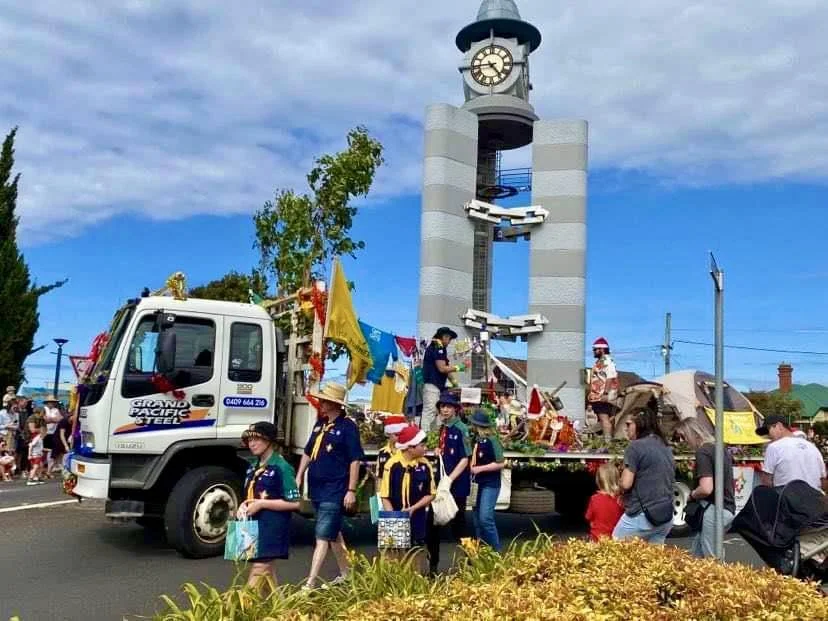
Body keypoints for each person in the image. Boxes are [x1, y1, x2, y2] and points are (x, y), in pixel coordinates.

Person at [295, 382, 364, 589]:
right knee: (333, 533)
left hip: (335, 489)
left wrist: (351, 490)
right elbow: (308, 452)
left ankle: (310, 583)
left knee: (322, 535)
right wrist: (299, 476)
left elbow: (355, 460)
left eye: (325, 400)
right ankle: (347, 573)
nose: (321, 403)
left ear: (335, 404)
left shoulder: (348, 427)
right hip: (317, 487)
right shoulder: (321, 424)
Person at [235, 422, 301, 593]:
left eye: (257, 439)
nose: (252, 444)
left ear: (270, 441)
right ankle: (281, 608)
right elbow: (252, 494)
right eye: (249, 440)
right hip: (254, 524)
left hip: (273, 524)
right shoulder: (252, 466)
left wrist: (262, 504)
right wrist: (244, 505)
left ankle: (243, 608)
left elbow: (295, 503)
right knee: (267, 571)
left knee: (260, 566)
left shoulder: (282, 467)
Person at [674, 418, 736, 558]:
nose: (681, 441)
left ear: (693, 433)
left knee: (711, 559)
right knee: (698, 555)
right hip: (725, 508)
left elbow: (706, 488)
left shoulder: (703, 452)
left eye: (682, 436)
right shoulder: (720, 449)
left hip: (713, 510)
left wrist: (690, 495)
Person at [613, 407, 675, 544]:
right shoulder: (664, 445)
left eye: (629, 424)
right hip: (665, 515)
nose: (626, 428)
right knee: (653, 562)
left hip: (642, 515)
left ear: (640, 424)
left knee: (614, 547)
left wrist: (618, 482)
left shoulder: (635, 447)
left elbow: (626, 483)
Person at [426, 391, 471, 575]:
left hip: (456, 485)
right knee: (432, 525)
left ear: (455, 409)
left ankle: (472, 560)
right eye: (442, 406)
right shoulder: (443, 428)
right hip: (441, 485)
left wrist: (450, 479)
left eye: (448, 406)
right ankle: (433, 566)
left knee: (459, 526)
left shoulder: (461, 429)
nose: (445, 409)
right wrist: (438, 450)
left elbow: (465, 459)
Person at [380, 423, 435, 570]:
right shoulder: (392, 465)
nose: (425, 448)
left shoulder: (425, 465)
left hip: (417, 515)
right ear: (410, 447)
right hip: (395, 514)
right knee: (393, 554)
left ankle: (413, 581)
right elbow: (384, 495)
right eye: (422, 445)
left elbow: (431, 494)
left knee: (415, 551)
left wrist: (413, 508)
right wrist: (394, 518)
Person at [756, 414, 827, 492]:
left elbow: (767, 482)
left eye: (768, 430)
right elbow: (823, 481)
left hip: (788, 499)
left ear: (779, 426)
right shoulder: (813, 448)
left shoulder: (774, 447)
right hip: (814, 499)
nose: (768, 435)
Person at [469, 410, 504, 551]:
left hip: (490, 483)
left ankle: (497, 551)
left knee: (485, 518)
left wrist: (479, 469)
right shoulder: (476, 440)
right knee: (477, 521)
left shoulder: (493, 441)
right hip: (477, 483)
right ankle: (483, 551)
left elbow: (500, 463)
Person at [421, 327, 462, 432]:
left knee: (437, 411)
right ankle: (425, 436)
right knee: (430, 410)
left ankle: (433, 434)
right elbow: (442, 368)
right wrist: (461, 367)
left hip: (437, 385)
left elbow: (446, 368)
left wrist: (455, 383)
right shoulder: (438, 347)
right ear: (444, 336)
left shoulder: (439, 348)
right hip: (432, 384)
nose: (449, 341)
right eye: (449, 338)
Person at [588, 337, 619, 442]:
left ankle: (607, 442)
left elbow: (610, 377)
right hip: (597, 395)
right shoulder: (600, 361)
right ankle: (607, 439)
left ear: (602, 349)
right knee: (604, 419)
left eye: (595, 349)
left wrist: (605, 393)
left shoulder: (607, 361)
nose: (594, 351)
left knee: (604, 418)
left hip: (603, 395)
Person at [585, 462, 624, 541]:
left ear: (598, 480)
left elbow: (589, 518)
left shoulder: (594, 499)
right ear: (617, 479)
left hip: (597, 538)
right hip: (615, 539)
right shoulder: (621, 499)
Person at [377, 415, 406, 481]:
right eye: (396, 435)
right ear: (389, 434)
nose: (399, 437)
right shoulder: (382, 452)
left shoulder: (406, 451)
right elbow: (380, 476)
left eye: (401, 434)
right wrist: (379, 491)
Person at [42, 397, 62, 476]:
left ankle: (49, 468)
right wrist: (53, 419)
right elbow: (44, 420)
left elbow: (60, 419)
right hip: (45, 432)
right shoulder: (44, 409)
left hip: (53, 432)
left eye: (53, 402)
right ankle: (42, 468)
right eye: (50, 402)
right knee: (43, 451)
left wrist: (51, 419)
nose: (52, 403)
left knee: (50, 451)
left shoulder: (56, 410)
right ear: (47, 403)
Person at [27, 420, 45, 485]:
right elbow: (31, 446)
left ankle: (39, 477)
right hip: (36, 455)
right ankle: (30, 479)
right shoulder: (36, 438)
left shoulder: (39, 437)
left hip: (39, 454)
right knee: (35, 467)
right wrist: (29, 455)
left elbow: (40, 446)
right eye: (42, 429)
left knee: (40, 465)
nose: (43, 431)